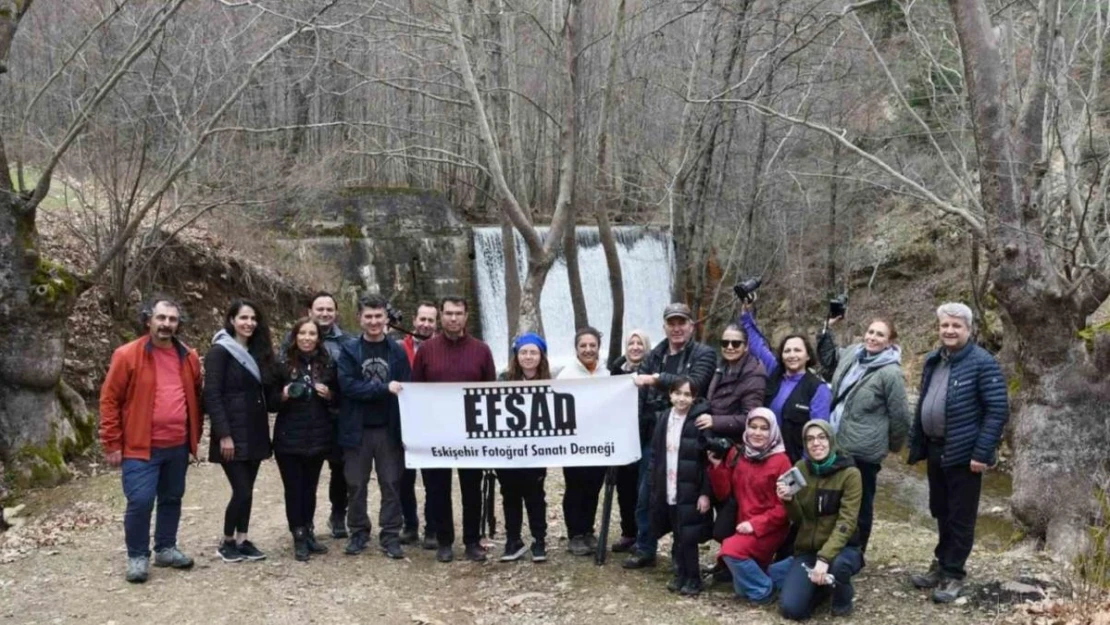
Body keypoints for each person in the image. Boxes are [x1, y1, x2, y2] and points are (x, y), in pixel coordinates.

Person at [908, 302, 1008, 603]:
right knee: (941, 510)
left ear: (969, 329)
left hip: (966, 455)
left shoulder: (982, 362)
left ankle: (954, 574)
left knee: (961, 517)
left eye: (956, 326)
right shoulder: (934, 360)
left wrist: (982, 452)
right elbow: (925, 400)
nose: (949, 331)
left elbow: (997, 409)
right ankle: (941, 563)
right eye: (945, 325)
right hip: (937, 449)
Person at [99, 296, 202, 583]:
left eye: (172, 319)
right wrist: (111, 442)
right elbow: (109, 401)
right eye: (161, 318)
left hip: (178, 445)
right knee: (141, 500)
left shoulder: (188, 356)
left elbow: (195, 396)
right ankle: (137, 556)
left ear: (178, 324)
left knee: (172, 498)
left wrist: (195, 436)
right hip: (139, 445)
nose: (166, 324)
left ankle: (166, 548)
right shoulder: (127, 355)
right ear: (148, 320)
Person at [625, 303, 716, 569]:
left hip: (688, 439)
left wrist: (655, 379)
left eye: (682, 323)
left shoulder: (705, 353)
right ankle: (645, 547)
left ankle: (682, 554)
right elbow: (640, 392)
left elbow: (694, 382)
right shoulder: (656, 354)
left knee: (682, 501)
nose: (676, 328)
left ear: (691, 325)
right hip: (656, 437)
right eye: (671, 323)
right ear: (664, 326)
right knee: (646, 497)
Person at [411, 295, 497, 563]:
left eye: (458, 313)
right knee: (437, 488)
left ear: (466, 316)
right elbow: (416, 391)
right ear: (440, 315)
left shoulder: (481, 350)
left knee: (472, 488)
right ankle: (444, 540)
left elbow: (491, 391)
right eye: (448, 313)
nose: (453, 318)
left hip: (471, 433)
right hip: (436, 432)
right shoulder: (426, 350)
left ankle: (472, 540)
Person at [818, 315, 909, 556]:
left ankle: (856, 552)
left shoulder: (891, 373)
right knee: (835, 497)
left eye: (880, 335)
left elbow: (900, 415)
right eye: (870, 332)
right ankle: (834, 546)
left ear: (890, 342)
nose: (873, 338)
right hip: (836, 442)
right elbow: (827, 360)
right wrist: (826, 329)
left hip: (864, 450)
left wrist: (892, 446)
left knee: (859, 503)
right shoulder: (852, 354)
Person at [336, 295, 412, 559]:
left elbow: (406, 388)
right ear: (359, 318)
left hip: (388, 428)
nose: (374, 321)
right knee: (355, 484)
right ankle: (358, 532)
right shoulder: (348, 350)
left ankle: (390, 535)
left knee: (391, 483)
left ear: (386, 319)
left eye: (378, 316)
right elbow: (348, 386)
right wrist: (383, 388)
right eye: (368, 316)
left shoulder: (397, 351)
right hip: (357, 428)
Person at [205, 299, 275, 563]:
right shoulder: (219, 352)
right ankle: (227, 541)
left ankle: (243, 538)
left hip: (255, 429)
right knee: (242, 489)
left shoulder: (258, 353)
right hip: (231, 432)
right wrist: (224, 434)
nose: (249, 323)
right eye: (243, 318)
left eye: (253, 319)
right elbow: (211, 394)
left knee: (249, 488)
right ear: (232, 320)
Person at [772, 420, 863, 620]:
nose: (816, 443)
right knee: (791, 610)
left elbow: (846, 523)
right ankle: (820, 589)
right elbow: (797, 519)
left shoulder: (850, 474)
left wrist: (824, 558)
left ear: (831, 440)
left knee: (839, 566)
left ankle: (842, 598)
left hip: (842, 549)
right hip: (807, 549)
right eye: (810, 439)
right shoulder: (800, 469)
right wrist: (788, 500)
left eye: (822, 437)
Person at [279, 292, 351, 541]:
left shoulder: (346, 342)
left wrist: (332, 394)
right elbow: (279, 378)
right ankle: (302, 528)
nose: (324, 313)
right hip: (303, 418)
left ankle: (338, 514)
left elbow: (346, 382)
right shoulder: (291, 343)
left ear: (336, 312)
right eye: (319, 309)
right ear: (310, 311)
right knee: (302, 477)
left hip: (337, 415)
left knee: (339, 468)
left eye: (329, 309)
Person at [706, 407, 793, 604]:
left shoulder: (783, 461)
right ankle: (790, 569)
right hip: (743, 521)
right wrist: (718, 467)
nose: (757, 433)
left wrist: (756, 524)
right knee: (742, 587)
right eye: (753, 427)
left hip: (770, 527)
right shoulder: (739, 454)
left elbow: (786, 507)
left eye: (764, 428)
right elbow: (724, 493)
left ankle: (764, 591)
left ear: (772, 431)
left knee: (730, 551)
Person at [271, 318, 337, 561]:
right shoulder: (281, 363)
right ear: (295, 336)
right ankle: (297, 534)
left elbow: (339, 397)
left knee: (310, 488)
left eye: (312, 334)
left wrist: (329, 393)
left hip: (318, 436)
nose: (307, 338)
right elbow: (269, 402)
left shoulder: (327, 363)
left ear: (318, 338)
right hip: (289, 438)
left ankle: (309, 530)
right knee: (294, 489)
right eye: (303, 333)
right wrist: (284, 395)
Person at [740, 303, 831, 462]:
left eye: (797, 350)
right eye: (787, 351)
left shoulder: (818, 389)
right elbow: (757, 345)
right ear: (781, 355)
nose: (792, 355)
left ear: (808, 356)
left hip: (794, 460)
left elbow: (818, 433)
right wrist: (746, 315)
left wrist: (803, 467)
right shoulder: (775, 371)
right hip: (765, 455)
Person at [648, 376, 712, 596]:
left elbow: (707, 462)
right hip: (669, 483)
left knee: (689, 536)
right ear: (670, 394)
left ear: (694, 398)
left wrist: (705, 493)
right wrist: (654, 482)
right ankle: (680, 574)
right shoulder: (665, 417)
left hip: (691, 487)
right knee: (677, 531)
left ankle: (694, 577)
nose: (682, 398)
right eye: (678, 393)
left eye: (687, 394)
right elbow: (657, 453)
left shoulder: (699, 421)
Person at [495, 332, 551, 563]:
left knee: (535, 495)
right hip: (508, 451)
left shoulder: (549, 383)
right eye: (523, 352)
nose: (528, 357)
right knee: (510, 494)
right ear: (516, 356)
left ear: (541, 356)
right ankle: (513, 539)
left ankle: (539, 539)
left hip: (536, 452)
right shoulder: (502, 380)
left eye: (533, 352)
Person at [556, 326, 611, 556]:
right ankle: (575, 534)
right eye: (583, 346)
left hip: (598, 443)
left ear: (598, 347)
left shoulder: (606, 375)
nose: (588, 350)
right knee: (575, 487)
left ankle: (588, 530)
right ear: (576, 349)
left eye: (592, 345)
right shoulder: (566, 375)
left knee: (593, 488)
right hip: (574, 444)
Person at [606, 329, 652, 553]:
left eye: (640, 343)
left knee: (643, 489)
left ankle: (645, 536)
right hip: (622, 437)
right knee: (624, 488)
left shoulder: (654, 371)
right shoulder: (615, 371)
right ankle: (628, 532)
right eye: (631, 343)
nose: (635, 347)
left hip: (646, 436)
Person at [399, 301, 438, 548]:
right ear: (414, 320)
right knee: (404, 478)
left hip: (433, 423)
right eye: (422, 319)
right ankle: (410, 524)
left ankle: (433, 527)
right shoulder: (397, 349)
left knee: (434, 478)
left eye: (430, 320)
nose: (425, 324)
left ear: (437, 323)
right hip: (402, 421)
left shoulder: (442, 348)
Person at [695, 323, 767, 439]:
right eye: (725, 343)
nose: (729, 347)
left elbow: (752, 418)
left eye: (736, 343)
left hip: (735, 441)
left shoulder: (754, 375)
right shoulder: (720, 366)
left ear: (746, 346)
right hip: (712, 435)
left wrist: (714, 421)